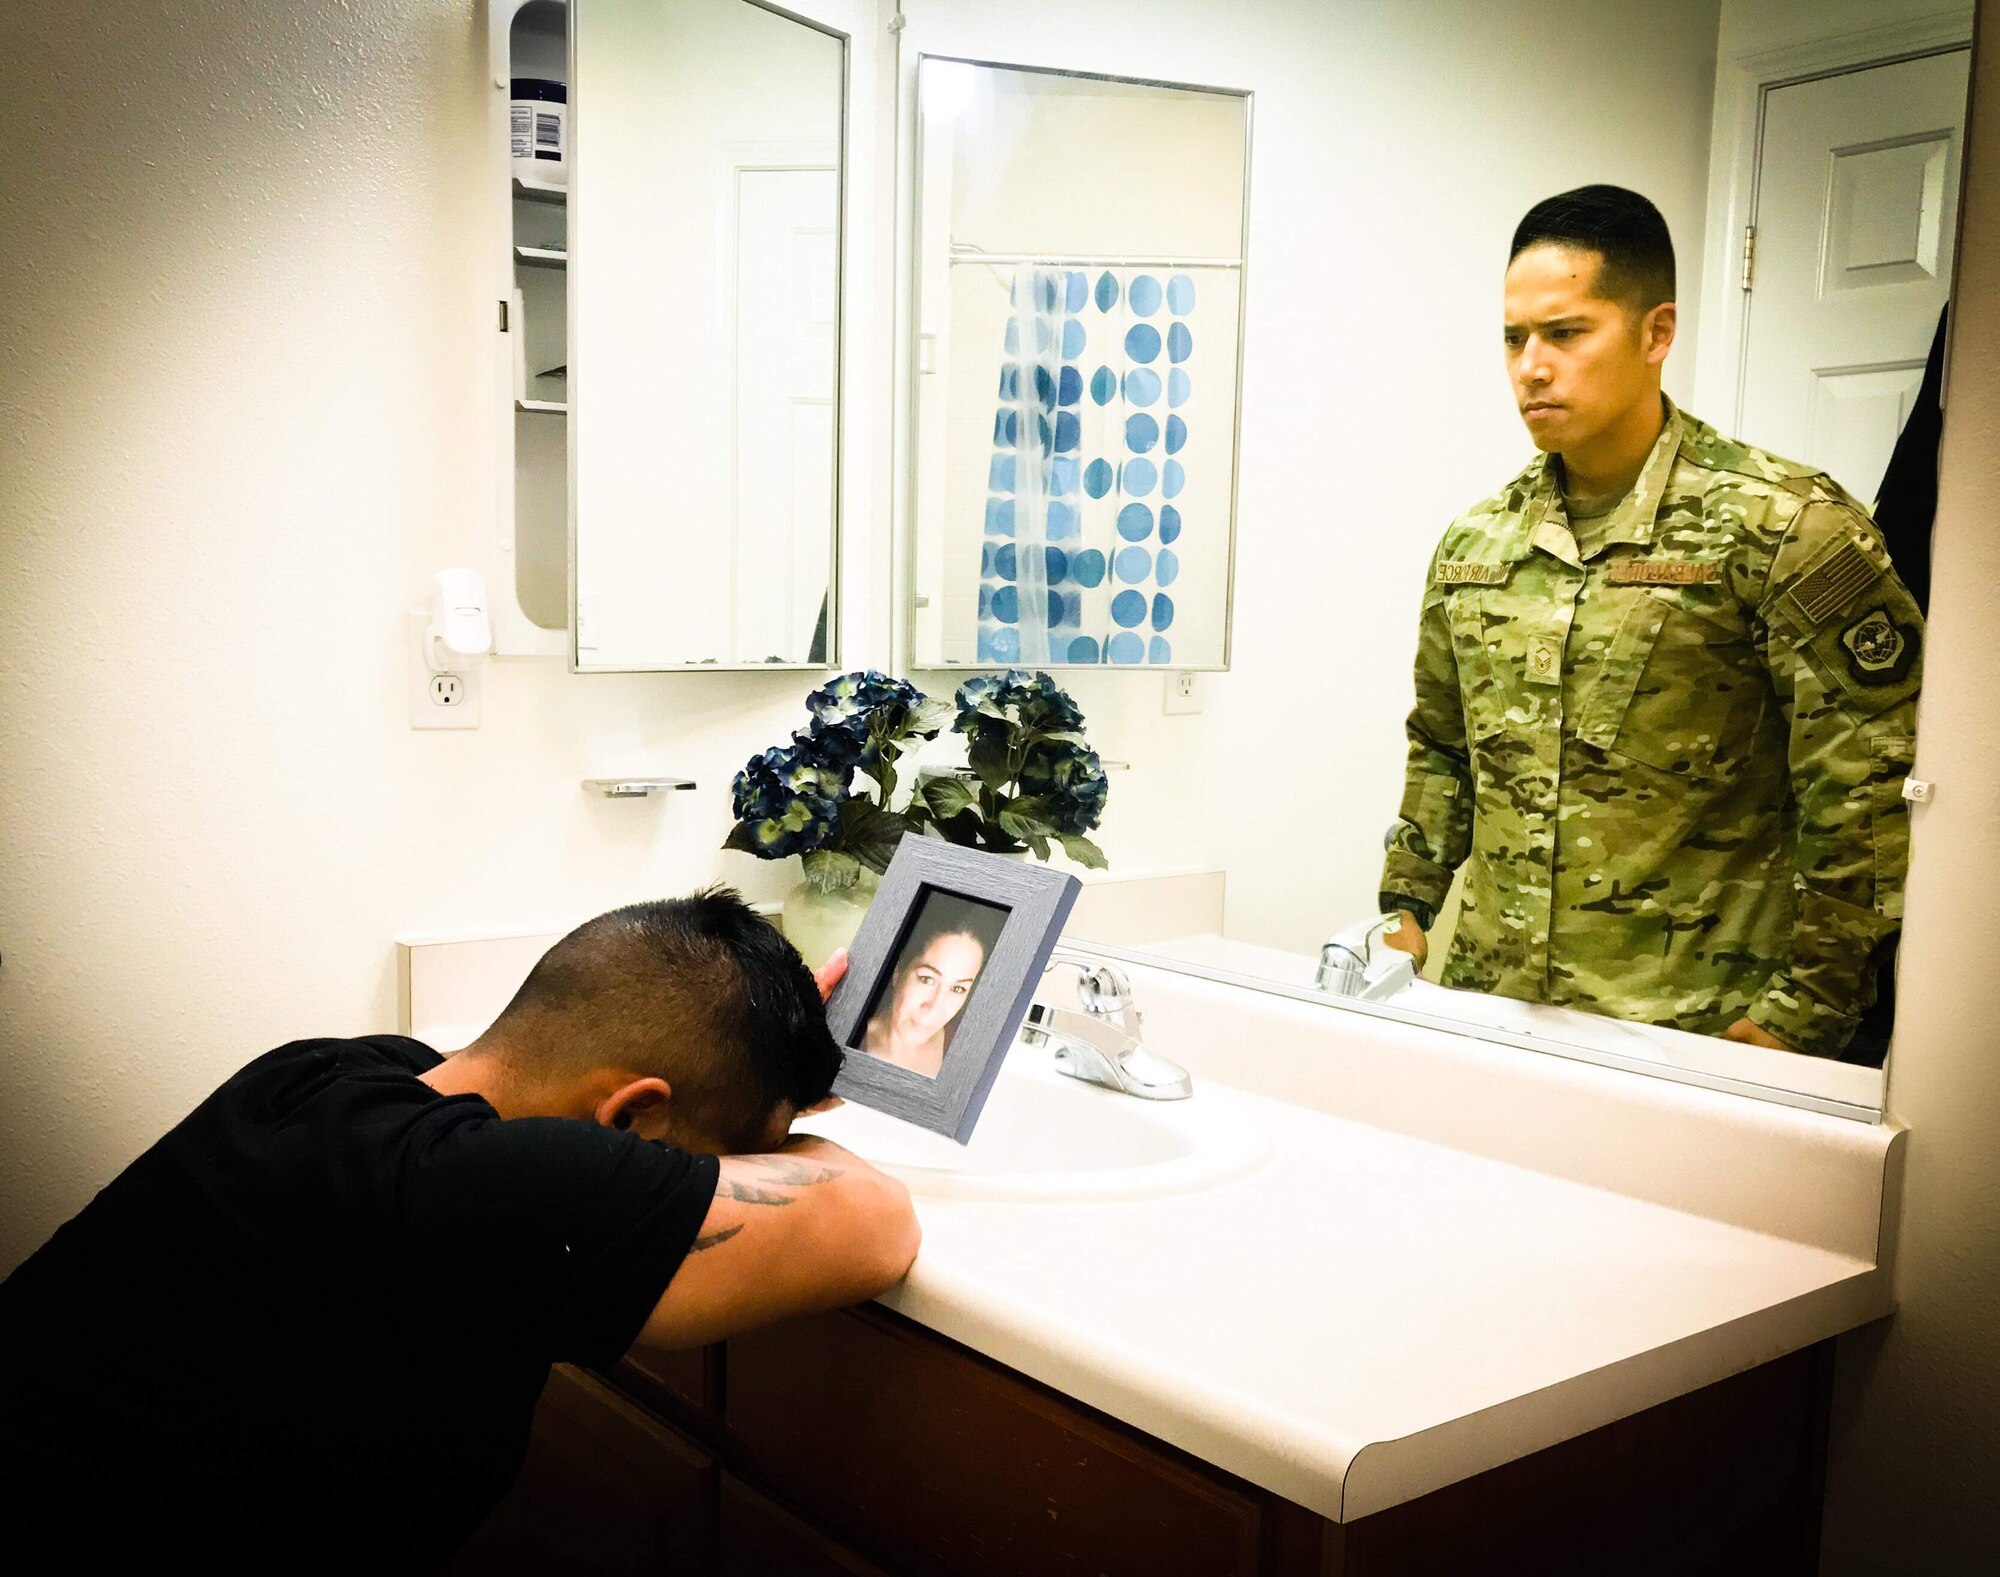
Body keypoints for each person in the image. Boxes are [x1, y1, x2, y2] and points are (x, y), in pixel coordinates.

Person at [0, 888, 920, 1566]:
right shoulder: (502, 1189)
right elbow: (876, 1222)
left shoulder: (331, 1076)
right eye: (747, 1153)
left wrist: (765, 1072)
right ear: (633, 1120)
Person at [1379, 185, 1922, 1060]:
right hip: (1490, 1007)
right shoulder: (1477, 543)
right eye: (1514, 338)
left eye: (1565, 333)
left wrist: (1808, 1012)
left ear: (1655, 333)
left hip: (1695, 1027)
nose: (1531, 366)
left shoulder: (1785, 528)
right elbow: (1443, 748)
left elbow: (1865, 794)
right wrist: (1403, 910)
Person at [861, 911, 989, 1077]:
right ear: (898, 972)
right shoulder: (840, 1037)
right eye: (927, 979)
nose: (934, 1007)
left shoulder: (967, 1060)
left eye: (958, 989)